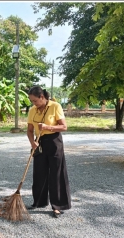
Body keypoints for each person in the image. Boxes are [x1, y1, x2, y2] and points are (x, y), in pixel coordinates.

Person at [26, 86, 71, 218]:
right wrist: (32, 143)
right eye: (31, 101)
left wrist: (48, 127)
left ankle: (58, 205)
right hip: (39, 142)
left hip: (54, 140)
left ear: (42, 97)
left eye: (35, 100)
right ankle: (39, 202)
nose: (33, 103)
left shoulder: (55, 106)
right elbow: (29, 130)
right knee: (39, 172)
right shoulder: (32, 110)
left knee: (56, 173)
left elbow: (64, 127)